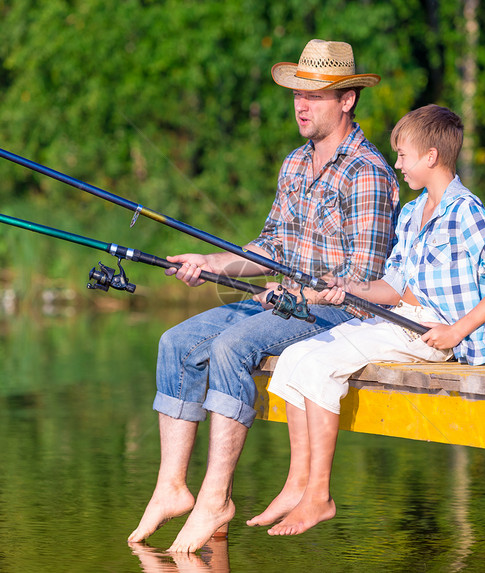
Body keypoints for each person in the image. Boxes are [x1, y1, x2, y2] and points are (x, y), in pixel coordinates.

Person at [127, 39, 400, 552]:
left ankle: (217, 497)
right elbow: (270, 245)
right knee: (175, 343)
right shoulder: (295, 164)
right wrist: (211, 263)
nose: (301, 103)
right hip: (281, 302)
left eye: (315, 95)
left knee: (232, 348)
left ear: (347, 100)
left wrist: (296, 291)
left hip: (334, 317)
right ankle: (172, 487)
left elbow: (363, 281)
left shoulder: (367, 173)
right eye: (298, 92)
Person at [251, 104, 485, 536]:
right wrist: (349, 288)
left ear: (431, 157)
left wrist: (457, 331)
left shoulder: (464, 210)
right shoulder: (415, 213)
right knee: (297, 355)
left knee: (321, 364)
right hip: (399, 318)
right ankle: (296, 484)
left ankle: (318, 496)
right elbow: (392, 286)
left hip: (431, 332)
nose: (396, 165)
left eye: (403, 155)